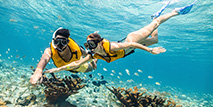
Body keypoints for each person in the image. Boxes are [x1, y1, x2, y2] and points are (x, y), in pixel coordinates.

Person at [43, 1, 197, 74]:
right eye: (87, 45)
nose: (89, 49)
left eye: (91, 45)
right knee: (155, 39)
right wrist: (54, 71)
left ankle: (175, 11)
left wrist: (149, 51)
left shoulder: (112, 47)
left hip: (132, 40)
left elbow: (135, 45)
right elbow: (74, 64)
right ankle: (155, 19)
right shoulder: (95, 54)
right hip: (129, 48)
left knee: (156, 23)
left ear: (99, 43)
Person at [30, 28, 97, 85]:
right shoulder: (50, 50)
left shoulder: (76, 49)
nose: (60, 45)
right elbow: (44, 58)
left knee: (91, 68)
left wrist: (93, 63)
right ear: (54, 41)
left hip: (79, 66)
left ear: (67, 42)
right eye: (57, 42)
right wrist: (38, 71)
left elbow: (89, 57)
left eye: (63, 42)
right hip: (68, 66)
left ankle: (95, 52)